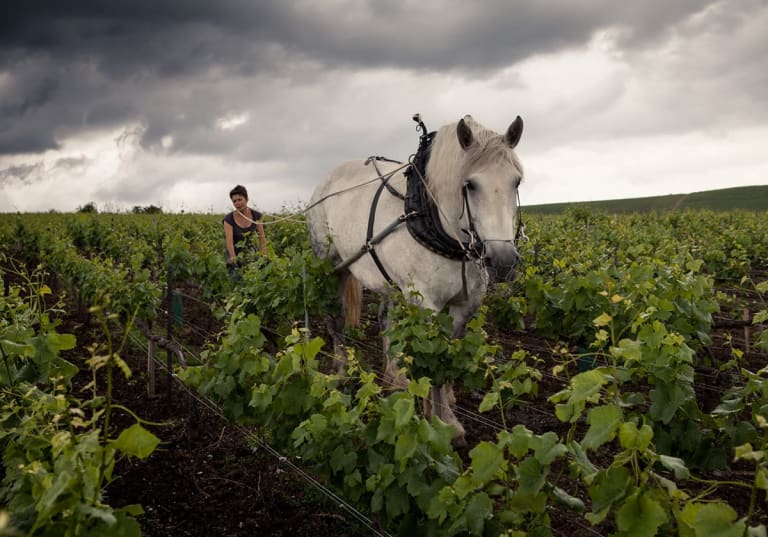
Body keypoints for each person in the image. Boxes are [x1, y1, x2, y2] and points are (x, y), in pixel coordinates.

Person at [223, 185, 267, 276]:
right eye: (234, 201)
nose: (237, 203)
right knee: (237, 280)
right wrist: (233, 258)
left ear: (246, 199)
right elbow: (229, 241)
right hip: (236, 254)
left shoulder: (256, 216)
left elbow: (262, 237)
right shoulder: (228, 219)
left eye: (240, 199)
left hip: (252, 253)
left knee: (262, 275)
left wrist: (264, 255)